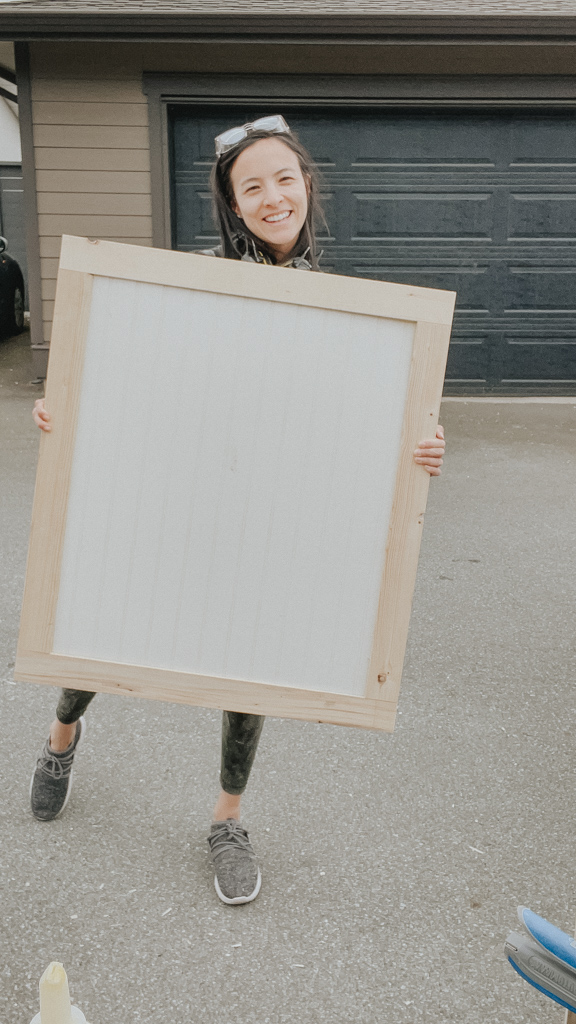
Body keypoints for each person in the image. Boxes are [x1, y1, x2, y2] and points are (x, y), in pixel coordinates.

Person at [30, 114, 446, 905]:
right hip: (178, 490)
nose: (272, 196)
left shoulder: (342, 308)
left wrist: (419, 446)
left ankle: (227, 820)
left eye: (284, 178)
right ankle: (61, 737)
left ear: (306, 184)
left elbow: (360, 422)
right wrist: (66, 408)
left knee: (253, 659)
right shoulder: (189, 283)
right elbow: (120, 367)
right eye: (251, 186)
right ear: (231, 204)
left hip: (266, 511)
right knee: (104, 617)